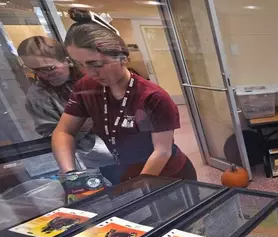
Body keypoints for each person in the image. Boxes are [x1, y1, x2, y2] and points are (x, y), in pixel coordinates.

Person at [52, 8, 196, 185]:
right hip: (127, 170)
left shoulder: (153, 97)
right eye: (79, 65)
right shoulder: (86, 87)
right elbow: (64, 131)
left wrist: (136, 187)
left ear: (123, 58)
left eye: (96, 64)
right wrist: (71, 175)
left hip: (168, 173)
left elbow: (162, 152)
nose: (89, 72)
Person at [18, 36, 115, 170]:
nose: (43, 75)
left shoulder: (95, 74)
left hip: (132, 144)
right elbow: (54, 140)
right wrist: (81, 124)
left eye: (50, 68)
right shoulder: (38, 96)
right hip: (99, 159)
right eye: (34, 70)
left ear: (67, 60)